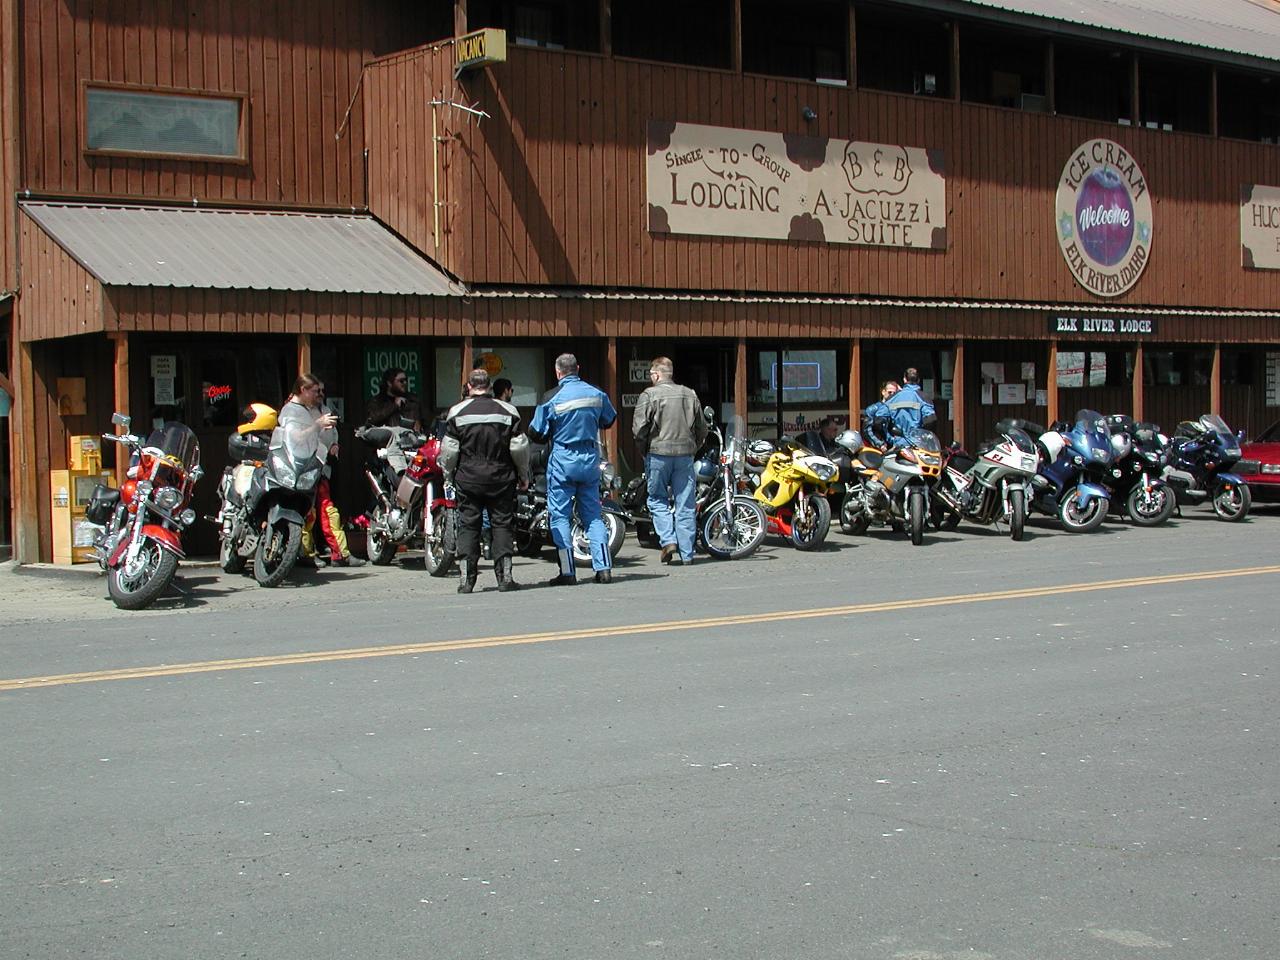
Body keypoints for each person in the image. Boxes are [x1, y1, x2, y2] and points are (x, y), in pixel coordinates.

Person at [529, 353, 618, 585]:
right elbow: (609, 419)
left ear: (558, 372)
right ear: (578, 368)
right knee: (593, 516)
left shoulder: (551, 397)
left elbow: (536, 432)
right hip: (589, 458)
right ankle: (604, 569)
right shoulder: (597, 393)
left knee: (560, 516)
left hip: (563, 459)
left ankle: (568, 572)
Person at [441, 368, 530, 593]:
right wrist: (523, 475)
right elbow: (519, 447)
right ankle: (505, 578)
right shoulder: (509, 411)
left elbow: (450, 451)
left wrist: (448, 474)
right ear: (489, 387)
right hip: (501, 476)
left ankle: (466, 580)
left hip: (468, 477)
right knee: (502, 524)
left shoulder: (456, 412)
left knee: (468, 525)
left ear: (469, 387)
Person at [282, 373, 366, 568]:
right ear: (303, 390)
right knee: (305, 512)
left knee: (328, 511)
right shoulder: (290, 411)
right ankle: (305, 554)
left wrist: (333, 443)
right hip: (299, 469)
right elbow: (295, 438)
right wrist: (318, 425)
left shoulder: (316, 409)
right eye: (315, 391)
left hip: (320, 467)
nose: (319, 394)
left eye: (321, 391)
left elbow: (329, 433)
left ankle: (340, 554)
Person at [632, 356, 706, 566]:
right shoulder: (689, 394)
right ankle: (687, 553)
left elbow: (639, 430)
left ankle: (668, 540)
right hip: (685, 456)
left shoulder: (649, 395)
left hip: (658, 454)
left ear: (655, 375)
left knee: (656, 499)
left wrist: (644, 451)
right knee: (685, 503)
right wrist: (694, 448)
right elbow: (702, 428)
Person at [863, 370, 934, 448]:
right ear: (918, 380)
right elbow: (931, 420)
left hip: (899, 445)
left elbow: (878, 420)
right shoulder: (924, 397)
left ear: (904, 379)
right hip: (918, 444)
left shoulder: (894, 398)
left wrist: (889, 438)